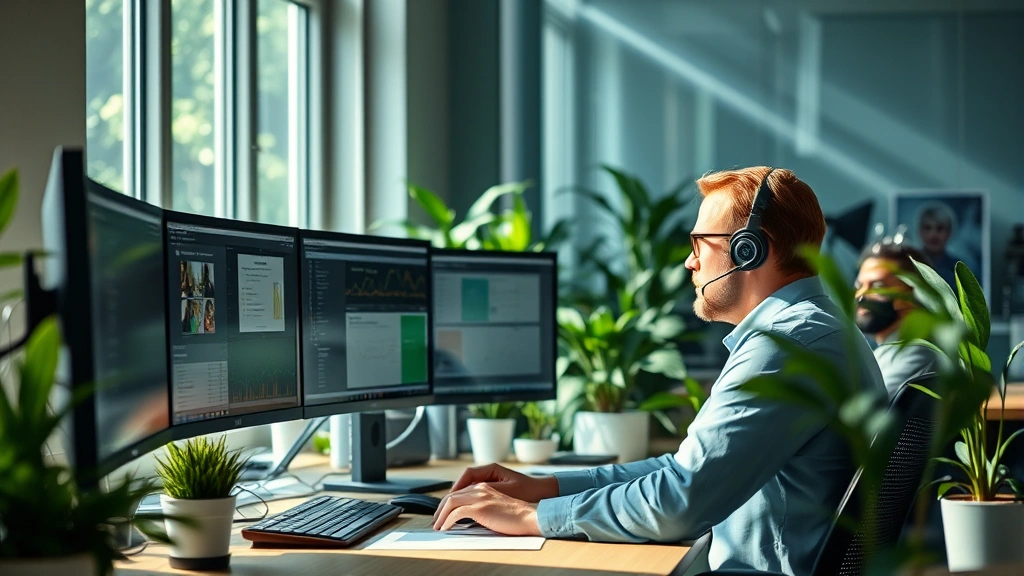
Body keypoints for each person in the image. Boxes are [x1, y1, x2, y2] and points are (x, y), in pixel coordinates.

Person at [431, 167, 885, 575]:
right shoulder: (814, 333)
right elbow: (684, 471)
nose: (689, 262)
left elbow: (679, 502)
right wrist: (543, 487)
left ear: (749, 250)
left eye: (698, 244)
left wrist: (532, 518)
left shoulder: (786, 347)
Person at [854, 240, 940, 398]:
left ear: (914, 292)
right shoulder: (886, 351)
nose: (860, 296)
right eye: (859, 286)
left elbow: (869, 413)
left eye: (878, 286)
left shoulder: (918, 353)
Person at [915, 202, 963, 289]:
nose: (933, 235)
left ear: (949, 232)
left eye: (940, 228)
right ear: (920, 231)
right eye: (927, 228)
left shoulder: (958, 267)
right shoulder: (909, 263)